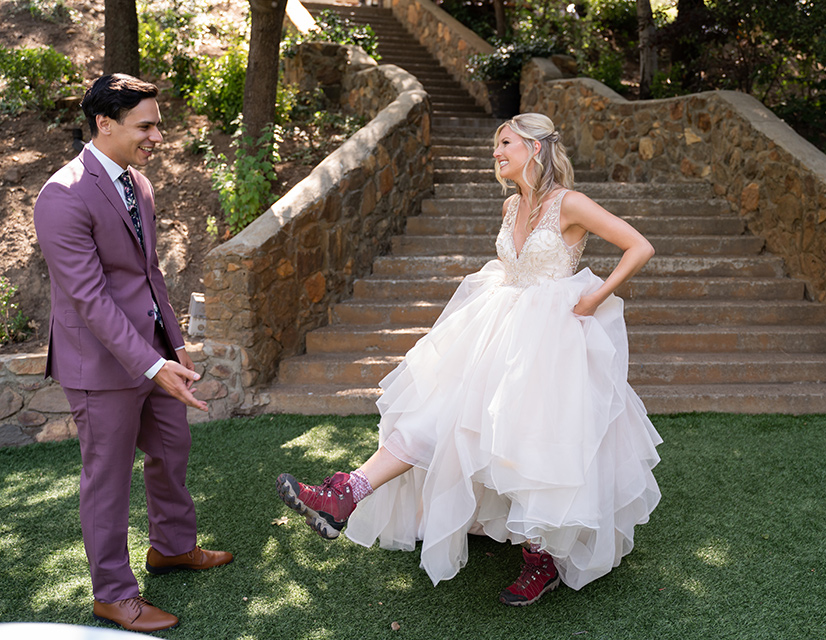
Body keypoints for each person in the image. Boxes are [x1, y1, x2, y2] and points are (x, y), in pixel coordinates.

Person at [277, 113, 662, 605]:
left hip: (550, 343)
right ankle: (345, 494)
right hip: (497, 327)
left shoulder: (571, 203)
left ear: (535, 148)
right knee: (436, 412)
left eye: (505, 143)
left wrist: (592, 298)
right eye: (495, 146)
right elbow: (511, 269)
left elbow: (639, 247)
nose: (496, 153)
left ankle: (540, 560)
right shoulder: (509, 206)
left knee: (531, 442)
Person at [33, 74, 233, 632]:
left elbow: (149, 276)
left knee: (172, 451)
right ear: (105, 123)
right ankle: (113, 594)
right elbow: (91, 298)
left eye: (158, 125)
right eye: (146, 126)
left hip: (155, 354)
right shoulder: (62, 194)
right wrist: (150, 364)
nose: (157, 137)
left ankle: (171, 546)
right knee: (108, 476)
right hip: (100, 365)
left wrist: (176, 344)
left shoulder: (138, 184)